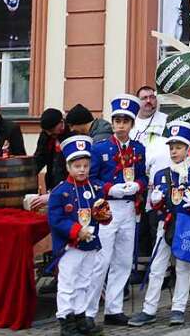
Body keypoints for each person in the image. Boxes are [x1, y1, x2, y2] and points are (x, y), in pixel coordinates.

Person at [128, 121, 190, 327]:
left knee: (183, 267)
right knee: (157, 266)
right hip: (166, 224)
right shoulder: (161, 174)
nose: (173, 151)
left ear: (188, 148)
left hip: (187, 224)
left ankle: (178, 309)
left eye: (178, 147)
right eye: (171, 147)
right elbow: (157, 204)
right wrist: (155, 200)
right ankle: (149, 309)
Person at [88, 95, 147, 327]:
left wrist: (138, 186)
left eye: (125, 121)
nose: (121, 125)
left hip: (129, 208)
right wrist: (111, 188)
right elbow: (91, 179)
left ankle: (114, 309)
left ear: (132, 124)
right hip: (107, 209)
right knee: (101, 261)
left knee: (123, 260)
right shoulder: (100, 148)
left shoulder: (138, 148)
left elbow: (143, 176)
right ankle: (89, 312)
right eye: (117, 120)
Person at [48, 135, 111, 336]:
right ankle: (66, 321)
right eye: (77, 166)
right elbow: (56, 219)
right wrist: (76, 231)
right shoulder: (60, 192)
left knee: (85, 281)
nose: (82, 170)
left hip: (90, 243)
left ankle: (80, 316)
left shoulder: (96, 189)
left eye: (85, 165)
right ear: (68, 167)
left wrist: (105, 216)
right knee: (68, 283)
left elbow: (101, 214)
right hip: (71, 246)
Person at [130, 86, 169, 281]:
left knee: (156, 225)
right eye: (144, 98)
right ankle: (138, 268)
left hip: (157, 182)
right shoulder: (131, 123)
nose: (149, 101)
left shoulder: (165, 121)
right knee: (139, 226)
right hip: (136, 180)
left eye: (152, 97)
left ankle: (160, 271)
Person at [34, 108, 67, 192]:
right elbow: (40, 157)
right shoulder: (45, 136)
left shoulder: (71, 134)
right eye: (47, 131)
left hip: (67, 181)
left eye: (52, 130)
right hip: (51, 181)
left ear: (61, 122)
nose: (50, 134)